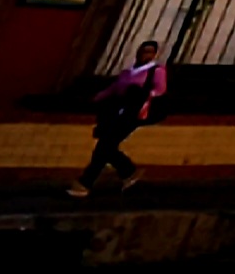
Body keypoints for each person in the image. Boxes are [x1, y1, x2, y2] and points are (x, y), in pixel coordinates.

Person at [70, 41, 168, 198]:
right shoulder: (128, 72)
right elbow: (115, 88)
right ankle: (127, 171)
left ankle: (86, 182)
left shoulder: (156, 70)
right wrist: (97, 97)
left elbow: (160, 89)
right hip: (118, 110)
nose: (146, 55)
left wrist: (144, 95)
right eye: (144, 51)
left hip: (133, 112)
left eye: (150, 52)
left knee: (105, 144)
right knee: (106, 145)